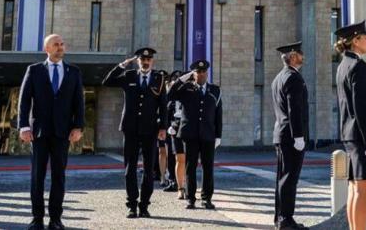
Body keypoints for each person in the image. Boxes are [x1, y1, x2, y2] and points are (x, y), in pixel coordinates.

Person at [18, 34, 86, 230]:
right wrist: (23, 126)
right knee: (37, 177)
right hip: (38, 132)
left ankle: (55, 219)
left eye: (62, 44)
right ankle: (37, 218)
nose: (60, 47)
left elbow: (78, 102)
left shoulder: (73, 71)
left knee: (59, 176)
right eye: (56, 44)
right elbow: (24, 101)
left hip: (62, 132)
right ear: (46, 48)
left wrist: (78, 126)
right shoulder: (34, 70)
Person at [101, 47, 168, 219]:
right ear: (138, 61)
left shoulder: (159, 78)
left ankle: (144, 206)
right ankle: (132, 205)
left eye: (148, 60)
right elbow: (107, 82)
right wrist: (123, 65)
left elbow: (163, 105)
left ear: (152, 61)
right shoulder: (129, 76)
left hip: (150, 129)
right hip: (130, 128)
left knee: (148, 169)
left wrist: (163, 128)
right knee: (129, 168)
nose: (145, 62)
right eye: (142, 60)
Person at [334, 21, 366, 230]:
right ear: (355, 41)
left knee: (354, 190)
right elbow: (361, 107)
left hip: (350, 134)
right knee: (363, 191)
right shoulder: (358, 67)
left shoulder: (343, 65)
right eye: (365, 37)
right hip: (363, 137)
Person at [168, 60, 222, 210]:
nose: (201, 74)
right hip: (190, 134)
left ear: (207, 72)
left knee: (208, 168)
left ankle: (206, 199)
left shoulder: (215, 90)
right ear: (194, 73)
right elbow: (170, 94)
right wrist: (183, 78)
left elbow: (218, 114)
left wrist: (218, 135)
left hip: (208, 134)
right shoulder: (186, 89)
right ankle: (190, 199)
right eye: (198, 72)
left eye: (203, 71)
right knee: (190, 167)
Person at [271, 42, 309, 230]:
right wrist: (299, 136)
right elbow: (295, 109)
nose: (303, 57)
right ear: (293, 56)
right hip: (291, 137)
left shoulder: (279, 77)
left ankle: (281, 217)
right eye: (300, 54)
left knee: (283, 178)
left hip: (282, 134)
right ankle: (285, 219)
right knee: (289, 179)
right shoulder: (293, 78)